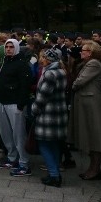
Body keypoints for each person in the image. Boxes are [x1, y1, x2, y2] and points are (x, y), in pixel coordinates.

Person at [69, 40, 101, 180]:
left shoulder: (93, 64)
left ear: (91, 53)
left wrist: (74, 84)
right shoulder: (87, 64)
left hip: (91, 104)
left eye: (85, 50)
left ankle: (95, 169)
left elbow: (78, 82)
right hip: (87, 102)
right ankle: (93, 168)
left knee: (95, 137)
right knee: (91, 136)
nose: (81, 52)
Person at [0, 38, 33, 175]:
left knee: (18, 134)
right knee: (6, 133)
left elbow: (25, 85)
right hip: (2, 102)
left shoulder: (22, 65)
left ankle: (24, 162)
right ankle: (12, 157)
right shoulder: (5, 62)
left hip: (15, 103)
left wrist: (21, 104)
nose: (8, 49)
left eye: (11, 47)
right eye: (7, 47)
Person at [31, 48, 68, 187]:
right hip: (59, 112)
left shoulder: (49, 74)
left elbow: (42, 97)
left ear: (49, 60)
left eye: (45, 58)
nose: (42, 59)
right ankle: (55, 172)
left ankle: (54, 175)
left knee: (44, 144)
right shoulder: (61, 72)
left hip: (47, 113)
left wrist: (34, 109)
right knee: (54, 144)